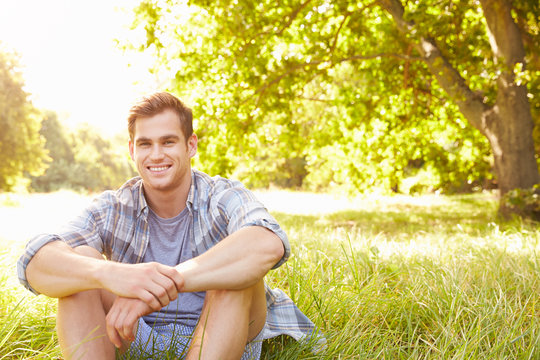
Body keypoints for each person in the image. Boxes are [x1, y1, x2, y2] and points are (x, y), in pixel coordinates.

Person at [17, 92, 322, 359]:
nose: (156, 154)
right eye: (145, 144)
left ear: (190, 145)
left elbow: (267, 242)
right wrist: (110, 274)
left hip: (223, 337)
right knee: (81, 264)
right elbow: (35, 262)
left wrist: (163, 283)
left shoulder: (222, 195)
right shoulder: (114, 206)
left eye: (168, 142)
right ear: (132, 150)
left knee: (235, 275)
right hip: (136, 335)